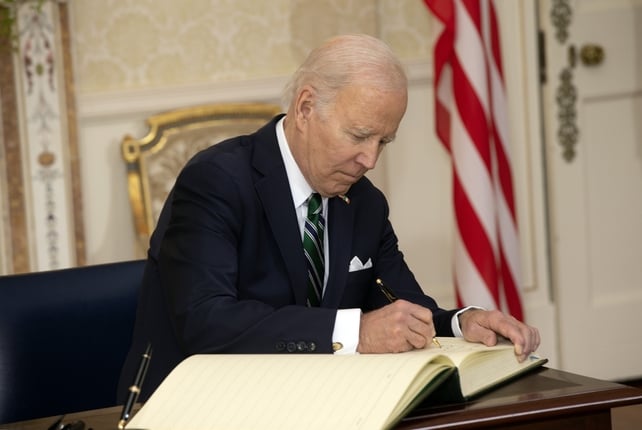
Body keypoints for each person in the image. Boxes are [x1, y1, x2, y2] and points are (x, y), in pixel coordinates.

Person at [118, 34, 540, 402]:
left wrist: (461, 322)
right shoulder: (216, 180)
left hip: (314, 402)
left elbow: (402, 307)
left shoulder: (364, 202)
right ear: (305, 108)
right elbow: (206, 322)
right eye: (359, 136)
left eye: (384, 141)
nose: (370, 159)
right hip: (198, 405)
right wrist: (357, 331)